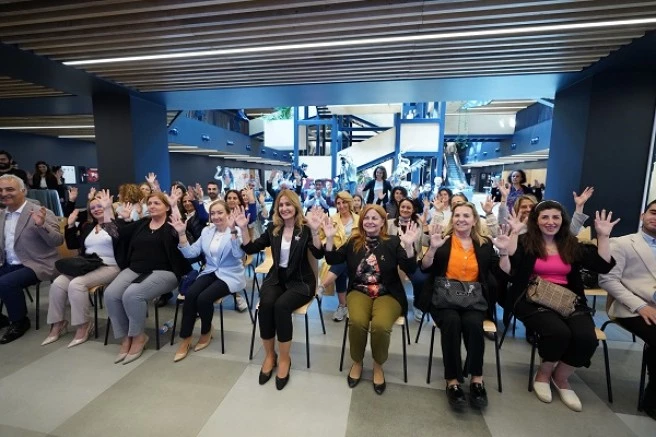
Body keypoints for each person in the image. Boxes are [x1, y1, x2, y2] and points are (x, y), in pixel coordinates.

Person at [504, 200, 618, 411]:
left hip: (568, 298)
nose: (551, 222)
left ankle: (561, 377)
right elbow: (510, 264)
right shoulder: (526, 242)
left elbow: (602, 265)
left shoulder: (570, 244)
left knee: (586, 338)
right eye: (545, 217)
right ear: (536, 221)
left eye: (555, 217)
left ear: (562, 220)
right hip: (532, 298)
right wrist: (514, 233)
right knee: (558, 332)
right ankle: (543, 374)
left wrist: (603, 236)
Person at [417, 202, 508, 408]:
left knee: (474, 324)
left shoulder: (484, 244)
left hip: (473, 300)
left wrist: (503, 252)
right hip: (444, 299)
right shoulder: (443, 240)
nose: (461, 219)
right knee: (451, 322)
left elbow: (502, 272)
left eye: (466, 215)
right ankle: (452, 381)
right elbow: (424, 268)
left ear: (474, 220)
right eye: (457, 215)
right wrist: (432, 249)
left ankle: (477, 378)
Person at [323, 204, 418, 395]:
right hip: (359, 290)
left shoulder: (393, 241)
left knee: (381, 326)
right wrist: (330, 238)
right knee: (357, 322)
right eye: (366, 218)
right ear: (361, 222)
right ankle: (357, 362)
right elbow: (333, 260)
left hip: (388, 293)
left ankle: (378, 365)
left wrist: (408, 246)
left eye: (375, 218)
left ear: (383, 222)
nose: (370, 221)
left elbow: (410, 268)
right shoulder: (353, 242)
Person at [235, 189, 324, 391]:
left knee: (282, 306)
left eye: (288, 204)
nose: (284, 208)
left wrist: (316, 231)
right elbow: (251, 248)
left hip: (301, 281)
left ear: (296, 206)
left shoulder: (306, 229)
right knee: (265, 305)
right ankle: (270, 356)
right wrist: (243, 228)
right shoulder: (273, 229)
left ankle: (284, 359)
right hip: (276, 278)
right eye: (281, 205)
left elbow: (318, 254)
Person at [102, 191, 191, 364]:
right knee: (111, 294)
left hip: (165, 272)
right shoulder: (142, 223)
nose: (152, 206)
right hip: (136, 268)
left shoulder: (171, 225)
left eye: (157, 203)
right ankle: (126, 337)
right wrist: (107, 209)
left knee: (132, 294)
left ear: (166, 207)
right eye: (149, 203)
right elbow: (114, 232)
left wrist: (174, 206)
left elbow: (179, 228)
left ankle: (139, 337)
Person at [598, 200, 656, 420]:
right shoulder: (622, 243)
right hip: (631, 306)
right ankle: (652, 398)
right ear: (643, 215)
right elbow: (607, 281)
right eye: (653, 212)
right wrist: (641, 306)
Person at [42, 190, 123, 347]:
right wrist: (71, 225)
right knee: (58, 283)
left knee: (76, 284)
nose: (96, 209)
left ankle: (84, 325)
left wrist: (108, 213)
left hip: (110, 265)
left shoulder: (118, 224)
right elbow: (73, 245)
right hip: (88, 264)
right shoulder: (89, 227)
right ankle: (58, 324)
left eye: (100, 206)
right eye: (92, 208)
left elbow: (117, 237)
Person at [169, 200, 246, 362]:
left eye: (220, 213)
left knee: (204, 298)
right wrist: (182, 234)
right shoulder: (207, 231)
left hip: (230, 274)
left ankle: (206, 331)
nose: (216, 216)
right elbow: (190, 253)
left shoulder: (236, 230)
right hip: (210, 270)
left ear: (228, 214)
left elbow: (239, 255)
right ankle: (185, 339)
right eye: (213, 213)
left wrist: (233, 230)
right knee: (190, 295)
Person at [0, 174, 63, 343]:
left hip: (38, 263)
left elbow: (57, 240)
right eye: (0, 190)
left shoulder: (40, 211)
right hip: (9, 262)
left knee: (6, 283)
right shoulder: (2, 215)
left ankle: (19, 321)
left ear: (23, 191)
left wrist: (41, 225)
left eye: (9, 189)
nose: (4, 193)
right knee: (5, 280)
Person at [316, 191, 360, 322]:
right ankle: (343, 306)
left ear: (349, 203)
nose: (341, 206)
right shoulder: (331, 219)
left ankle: (323, 288)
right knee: (341, 264)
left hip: (356, 255)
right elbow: (322, 238)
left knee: (341, 264)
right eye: (338, 203)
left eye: (344, 202)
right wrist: (328, 241)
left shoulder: (359, 219)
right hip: (336, 254)